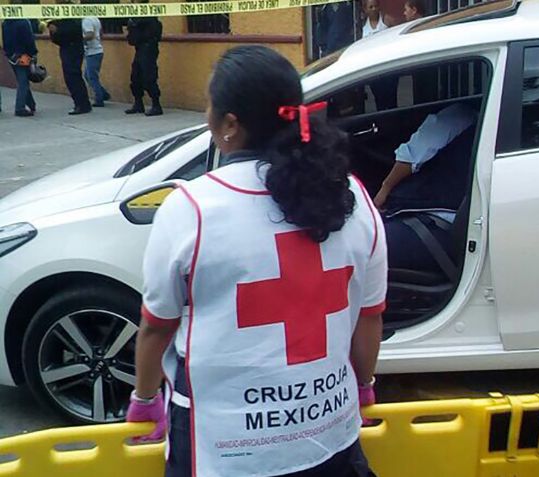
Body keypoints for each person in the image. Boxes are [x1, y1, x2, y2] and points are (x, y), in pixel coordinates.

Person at [127, 45, 386, 477]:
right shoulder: (353, 195)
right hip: (329, 435)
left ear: (229, 125)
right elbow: (369, 317)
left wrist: (145, 396)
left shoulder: (192, 207)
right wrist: (363, 387)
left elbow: (156, 325)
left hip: (224, 446)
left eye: (208, 106)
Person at [373, 103, 476, 273]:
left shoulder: (457, 116)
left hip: (438, 223)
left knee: (365, 246)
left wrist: (385, 189)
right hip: (462, 227)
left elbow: (411, 157)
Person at [48, 4, 92, 115]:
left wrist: (57, 30)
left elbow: (72, 32)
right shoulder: (61, 16)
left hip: (73, 48)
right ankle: (81, 103)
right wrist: (53, 30)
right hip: (67, 48)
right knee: (71, 77)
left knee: (73, 76)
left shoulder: (73, 15)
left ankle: (82, 105)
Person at [125, 2, 162, 116]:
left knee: (149, 77)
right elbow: (132, 38)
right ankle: (138, 103)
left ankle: (156, 105)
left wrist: (134, 26)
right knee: (135, 76)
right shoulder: (136, 18)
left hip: (148, 49)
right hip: (140, 49)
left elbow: (152, 35)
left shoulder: (150, 19)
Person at [2, 12, 38, 117]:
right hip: (24, 55)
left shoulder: (5, 23)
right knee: (23, 81)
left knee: (23, 79)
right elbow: (29, 40)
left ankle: (31, 104)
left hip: (12, 56)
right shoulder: (24, 22)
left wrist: (8, 54)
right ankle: (20, 108)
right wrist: (33, 53)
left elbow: (5, 41)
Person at [82, 14, 110, 107]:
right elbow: (101, 33)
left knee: (92, 77)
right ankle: (103, 93)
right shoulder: (95, 18)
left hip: (92, 52)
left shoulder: (86, 21)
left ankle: (99, 98)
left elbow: (90, 34)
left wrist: (79, 39)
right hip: (97, 50)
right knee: (88, 75)